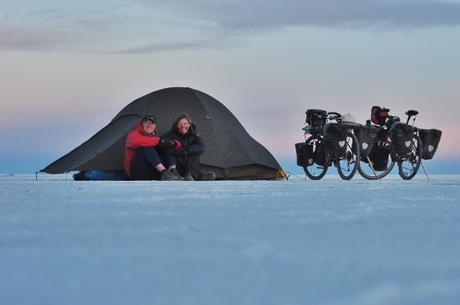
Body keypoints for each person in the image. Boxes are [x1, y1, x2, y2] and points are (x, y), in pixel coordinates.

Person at [124, 115, 183, 180]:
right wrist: (160, 141)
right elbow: (137, 142)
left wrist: (173, 144)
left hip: (151, 171)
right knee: (146, 146)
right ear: (142, 124)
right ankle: (164, 172)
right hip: (135, 171)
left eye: (152, 123)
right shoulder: (133, 134)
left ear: (155, 126)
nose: (149, 125)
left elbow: (177, 144)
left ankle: (173, 171)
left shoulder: (154, 138)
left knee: (166, 148)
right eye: (147, 123)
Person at [162, 113, 216, 181]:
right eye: (180, 124)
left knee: (194, 155)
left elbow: (201, 147)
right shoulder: (169, 135)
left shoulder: (194, 136)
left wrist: (186, 151)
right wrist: (177, 151)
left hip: (189, 165)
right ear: (176, 125)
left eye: (185, 123)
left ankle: (192, 176)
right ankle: (197, 176)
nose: (183, 126)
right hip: (176, 164)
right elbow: (162, 145)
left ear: (189, 124)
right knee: (170, 155)